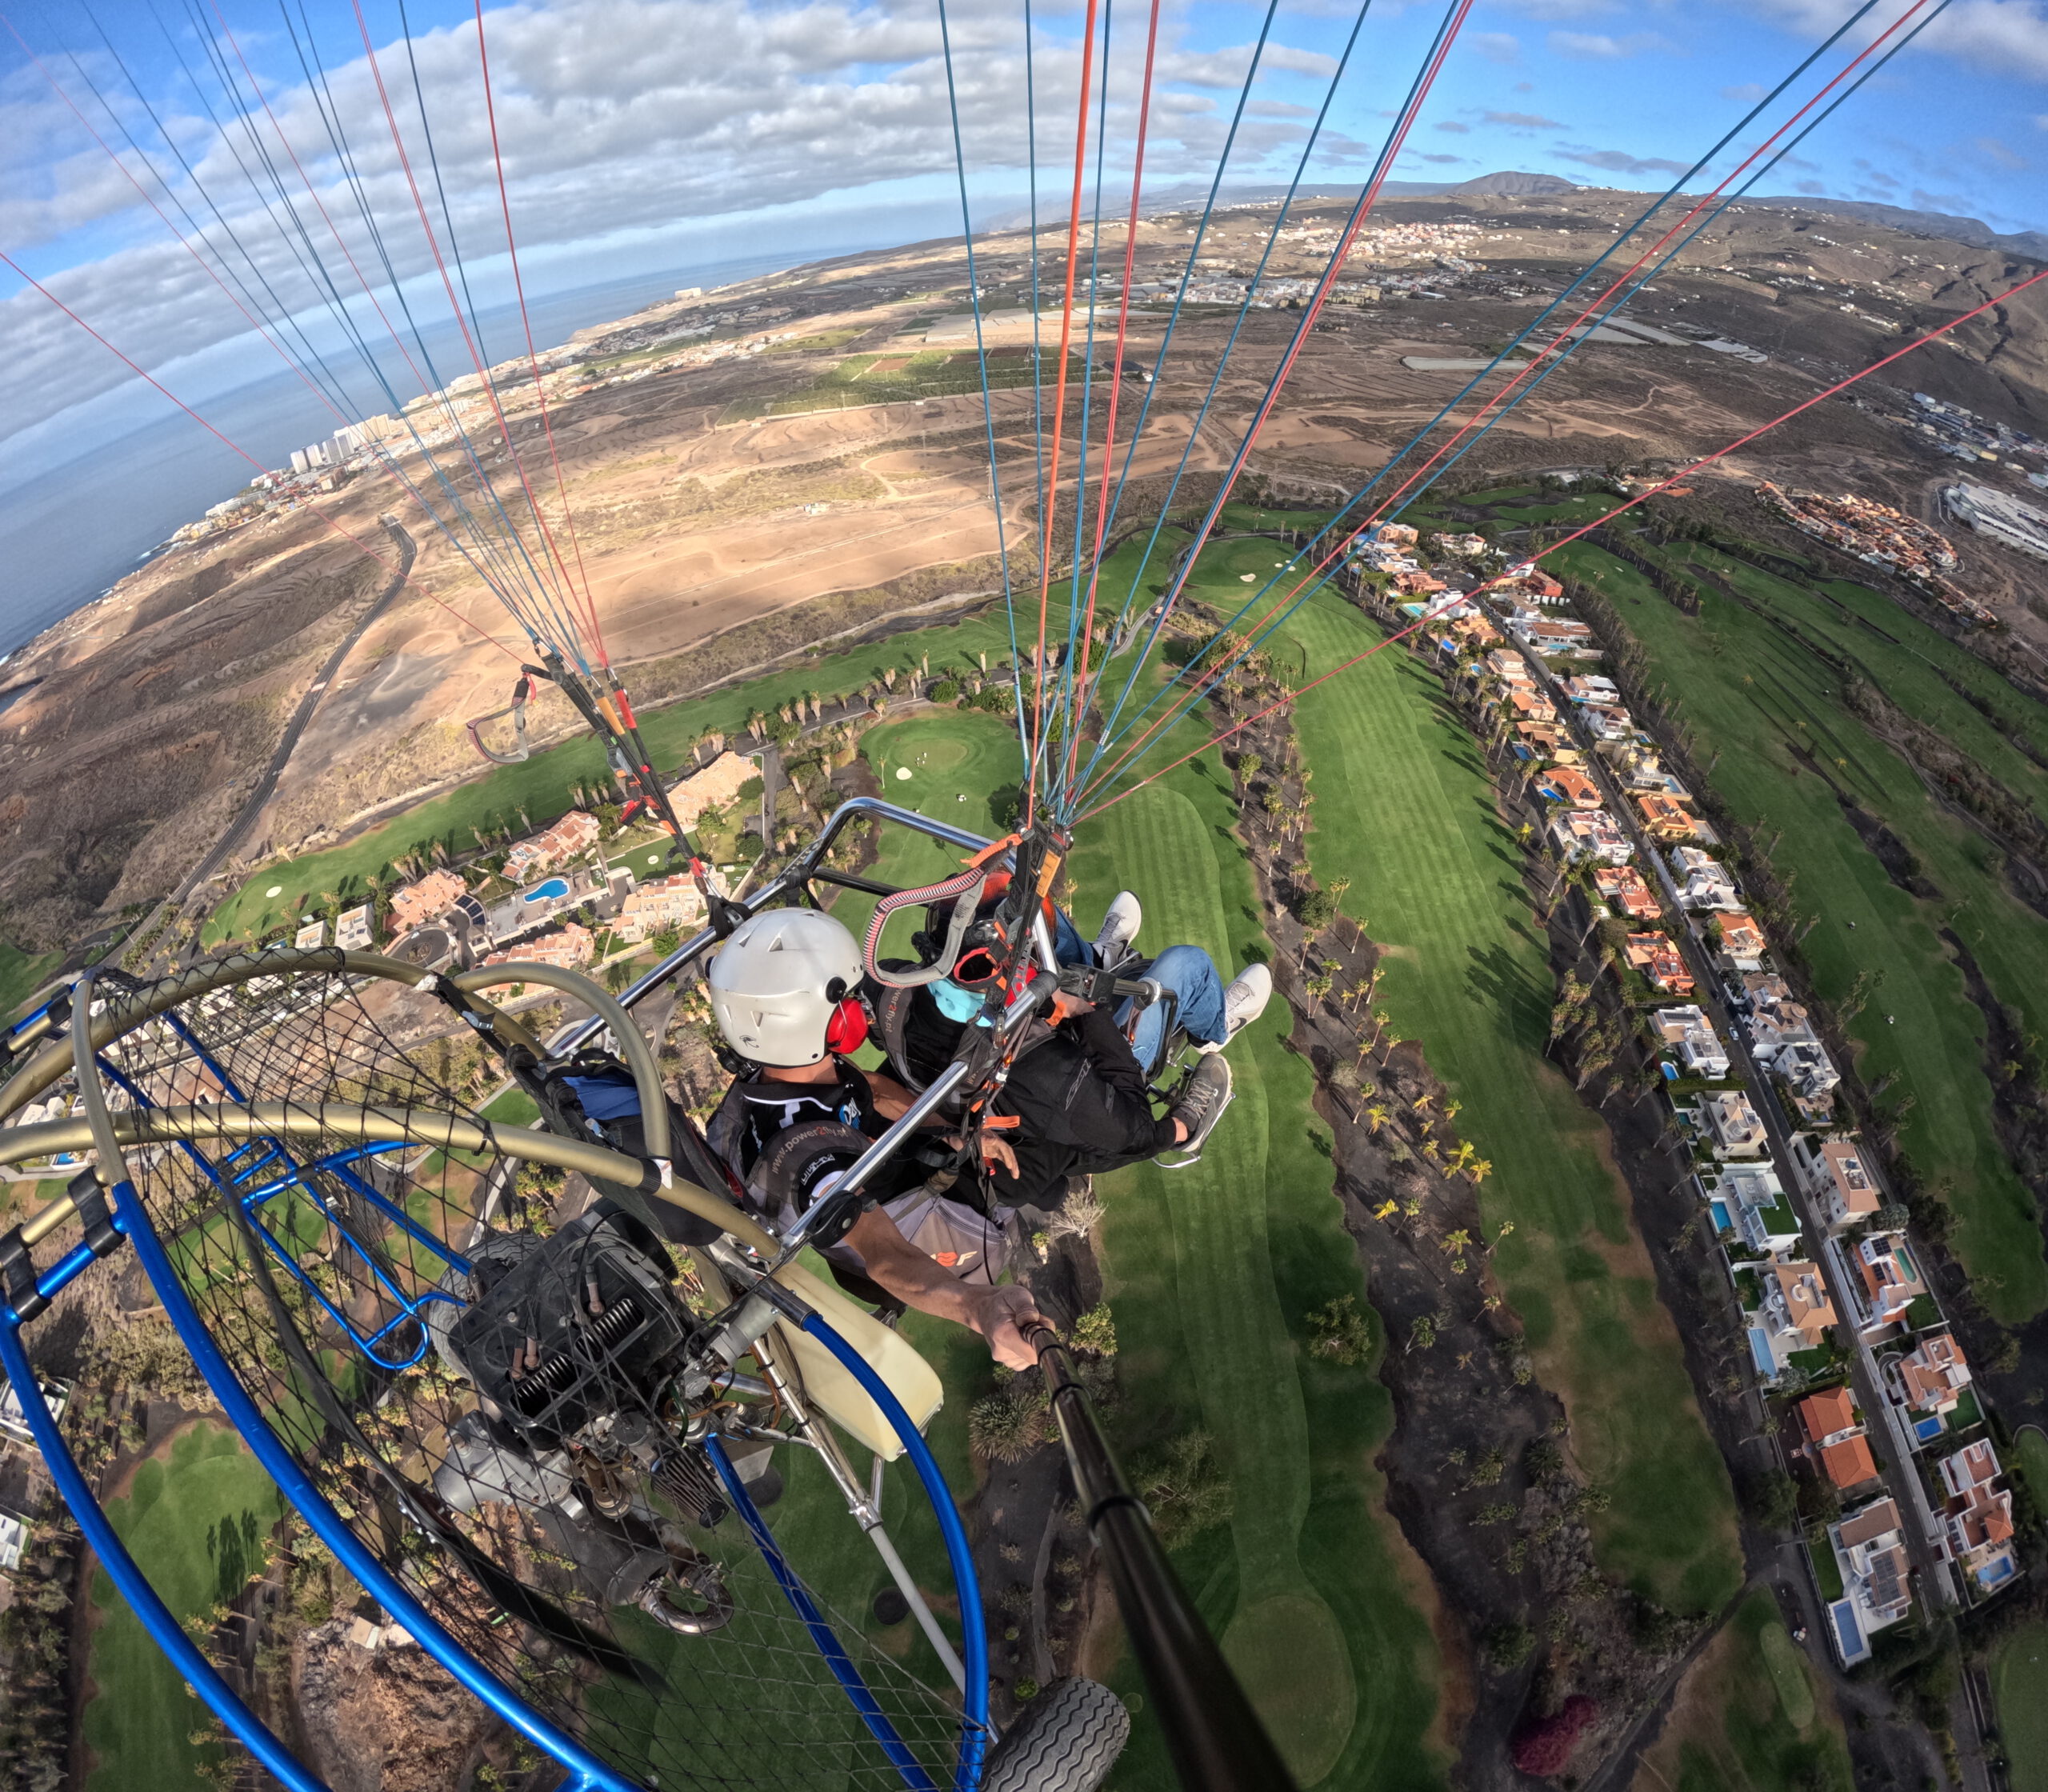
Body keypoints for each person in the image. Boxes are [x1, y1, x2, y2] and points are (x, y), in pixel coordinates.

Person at [702, 906, 1049, 1369]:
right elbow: (885, 1256)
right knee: (1038, 1178)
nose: (859, 1006)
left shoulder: (793, 1067)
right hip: (881, 1234)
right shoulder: (813, 1159)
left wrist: (954, 1133)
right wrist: (977, 1308)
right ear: (814, 1021)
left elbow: (874, 1089)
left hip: (863, 1158)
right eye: (847, 999)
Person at [877, 886, 1271, 1210]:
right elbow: (1136, 1130)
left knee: (1025, 903)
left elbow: (873, 1085)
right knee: (1187, 964)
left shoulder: (894, 991)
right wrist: (1088, 1011)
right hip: (1095, 1072)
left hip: (1026, 1054)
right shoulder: (1054, 1080)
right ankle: (1214, 1029)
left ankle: (1100, 958)